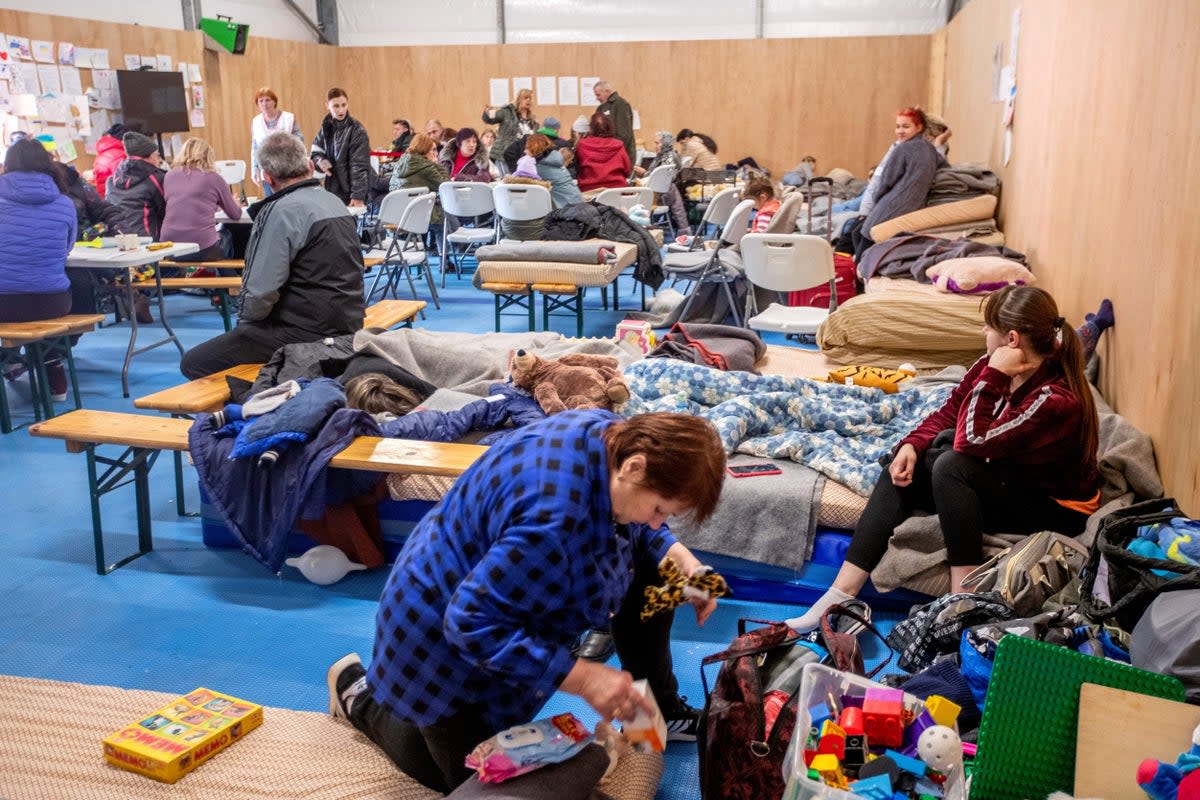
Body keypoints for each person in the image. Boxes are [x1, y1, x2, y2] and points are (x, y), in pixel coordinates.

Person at [325, 410, 726, 794]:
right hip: (436, 633)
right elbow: (470, 624)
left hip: (479, 577)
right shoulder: (552, 523)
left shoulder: (608, 435)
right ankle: (358, 696)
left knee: (656, 568)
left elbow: (640, 532)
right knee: (467, 778)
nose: (658, 523)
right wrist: (586, 679)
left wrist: (685, 562)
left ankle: (659, 711)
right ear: (635, 466)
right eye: (658, 510)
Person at [785, 286, 1101, 632]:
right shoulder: (991, 364)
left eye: (988, 326)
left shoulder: (1054, 400)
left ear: (1011, 339)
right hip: (1014, 477)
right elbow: (950, 412)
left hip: (1056, 508)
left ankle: (960, 600)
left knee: (952, 463)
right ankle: (840, 594)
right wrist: (910, 445)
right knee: (905, 464)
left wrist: (993, 377)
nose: (983, 332)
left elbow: (972, 441)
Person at [179, 133, 365, 380]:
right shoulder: (336, 203)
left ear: (266, 177)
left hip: (305, 331)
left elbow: (259, 291)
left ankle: (256, 409)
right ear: (310, 166)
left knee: (193, 363)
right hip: (349, 322)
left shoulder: (280, 212)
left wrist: (245, 328)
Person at [0, 138, 77, 401]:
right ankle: (54, 374)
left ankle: (9, 360)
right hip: (52, 302)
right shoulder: (65, 203)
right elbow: (67, 249)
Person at [852, 107, 947, 259]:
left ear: (919, 127)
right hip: (913, 205)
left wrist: (876, 202)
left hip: (894, 204)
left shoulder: (902, 149)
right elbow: (944, 168)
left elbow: (886, 182)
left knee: (862, 238)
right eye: (898, 126)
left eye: (906, 126)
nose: (900, 131)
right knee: (857, 233)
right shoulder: (930, 149)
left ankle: (861, 279)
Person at [161, 137, 245, 263]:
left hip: (169, 246)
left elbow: (184, 202)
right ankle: (234, 277)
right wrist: (235, 204)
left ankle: (225, 275)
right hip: (202, 248)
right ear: (208, 156)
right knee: (229, 233)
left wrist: (212, 205)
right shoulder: (213, 178)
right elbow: (235, 214)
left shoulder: (169, 176)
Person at [310, 87, 372, 208]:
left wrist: (357, 196)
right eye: (336, 106)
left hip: (350, 192)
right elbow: (316, 153)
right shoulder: (325, 128)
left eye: (344, 105)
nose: (341, 110)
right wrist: (320, 162)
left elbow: (359, 166)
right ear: (327, 106)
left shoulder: (357, 130)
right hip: (332, 190)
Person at [105, 131, 167, 239]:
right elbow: (166, 211)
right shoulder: (155, 179)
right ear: (148, 157)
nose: (158, 161)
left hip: (119, 240)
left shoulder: (111, 181)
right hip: (148, 242)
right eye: (157, 156)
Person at [250, 87, 303, 198]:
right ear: (258, 104)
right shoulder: (256, 122)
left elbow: (300, 143)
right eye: (261, 101)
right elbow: (255, 148)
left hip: (288, 170)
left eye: (268, 100)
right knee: (271, 203)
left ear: (274, 101)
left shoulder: (288, 118)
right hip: (267, 171)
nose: (265, 104)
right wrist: (254, 169)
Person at [389, 134, 449, 227]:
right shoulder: (426, 167)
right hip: (420, 215)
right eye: (433, 149)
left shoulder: (401, 163)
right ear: (424, 149)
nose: (436, 153)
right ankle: (449, 242)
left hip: (397, 215)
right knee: (449, 215)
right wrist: (437, 165)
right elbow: (446, 186)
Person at [634, 130, 688, 232]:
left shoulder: (668, 157)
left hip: (659, 195)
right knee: (674, 191)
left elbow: (659, 179)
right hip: (667, 192)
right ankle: (684, 229)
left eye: (657, 143)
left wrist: (644, 173)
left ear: (665, 144)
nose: (655, 146)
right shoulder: (669, 155)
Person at [482, 88, 538, 169]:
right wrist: (488, 113)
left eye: (531, 99)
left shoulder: (533, 120)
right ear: (519, 99)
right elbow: (491, 119)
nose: (529, 100)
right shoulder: (507, 112)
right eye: (526, 98)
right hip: (503, 155)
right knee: (509, 180)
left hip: (521, 157)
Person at [575, 113, 631, 193]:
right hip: (617, 191)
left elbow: (577, 169)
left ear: (591, 128)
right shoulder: (619, 145)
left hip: (589, 191)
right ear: (610, 126)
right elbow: (627, 170)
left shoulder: (581, 145)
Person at [530, 133, 582, 209]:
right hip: (577, 206)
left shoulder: (539, 167)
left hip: (568, 211)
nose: (525, 151)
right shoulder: (558, 165)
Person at [593, 80, 635, 171]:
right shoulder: (601, 108)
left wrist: (610, 151)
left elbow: (624, 134)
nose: (597, 98)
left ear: (607, 91)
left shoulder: (621, 104)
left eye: (598, 95)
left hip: (620, 154)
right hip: (607, 155)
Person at [91, 123, 130, 199]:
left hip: (105, 199)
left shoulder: (102, 153)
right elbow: (124, 183)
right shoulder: (120, 155)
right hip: (117, 200)